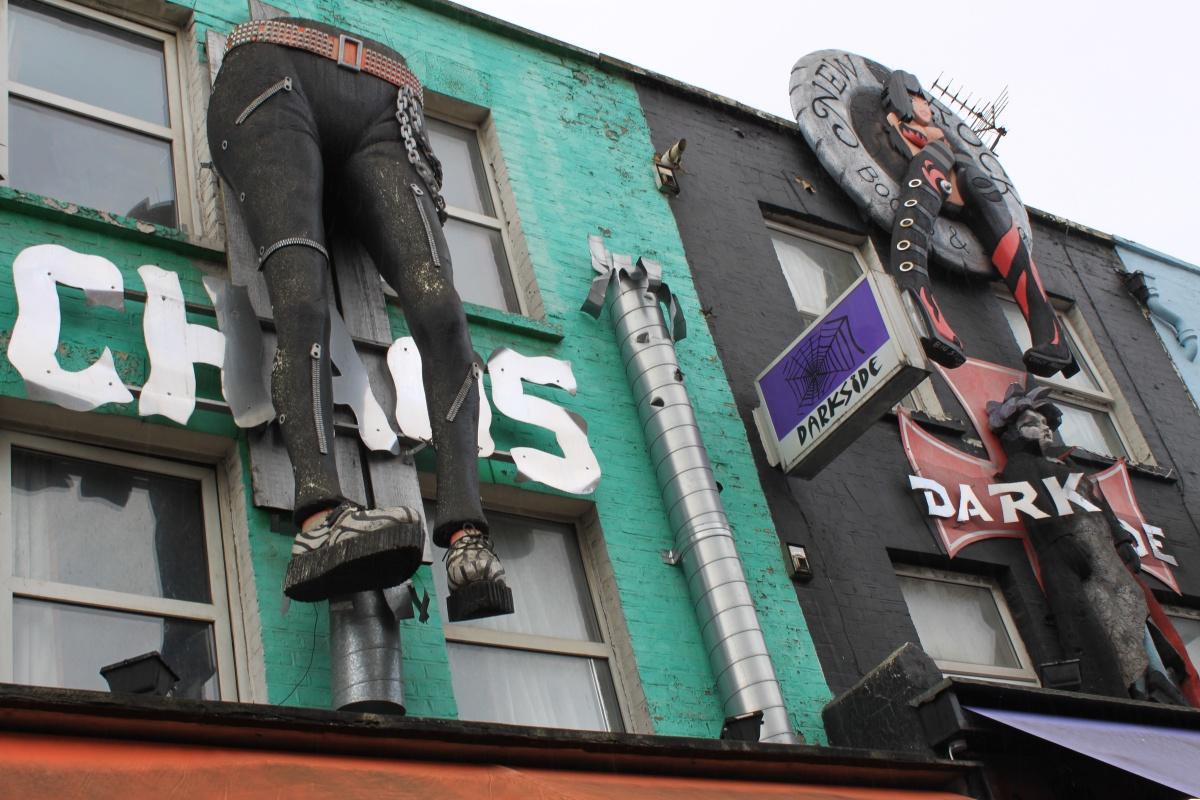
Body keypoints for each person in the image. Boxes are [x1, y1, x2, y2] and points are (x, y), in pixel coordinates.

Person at [207, 18, 511, 621]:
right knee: (300, 296)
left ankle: (465, 537)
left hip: (386, 101)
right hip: (270, 69)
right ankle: (319, 515)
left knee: (442, 311)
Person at [987, 385, 1197, 703]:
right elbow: (1038, 510)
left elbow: (1100, 506)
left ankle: (1155, 673)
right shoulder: (1023, 467)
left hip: (1104, 550)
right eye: (1033, 422)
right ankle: (1137, 684)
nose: (1044, 427)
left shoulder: (1069, 469)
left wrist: (1122, 538)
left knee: (1134, 607)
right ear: (1015, 432)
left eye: (1046, 423)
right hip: (1081, 554)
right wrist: (1062, 539)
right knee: (1106, 619)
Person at [883, 71, 1077, 379]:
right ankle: (925, 311)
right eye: (919, 99)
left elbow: (927, 136)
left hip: (964, 179)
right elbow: (918, 138)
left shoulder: (932, 135)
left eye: (924, 99)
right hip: (946, 176)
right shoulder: (912, 130)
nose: (926, 106)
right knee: (923, 195)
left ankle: (1051, 336)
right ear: (905, 99)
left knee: (1006, 240)